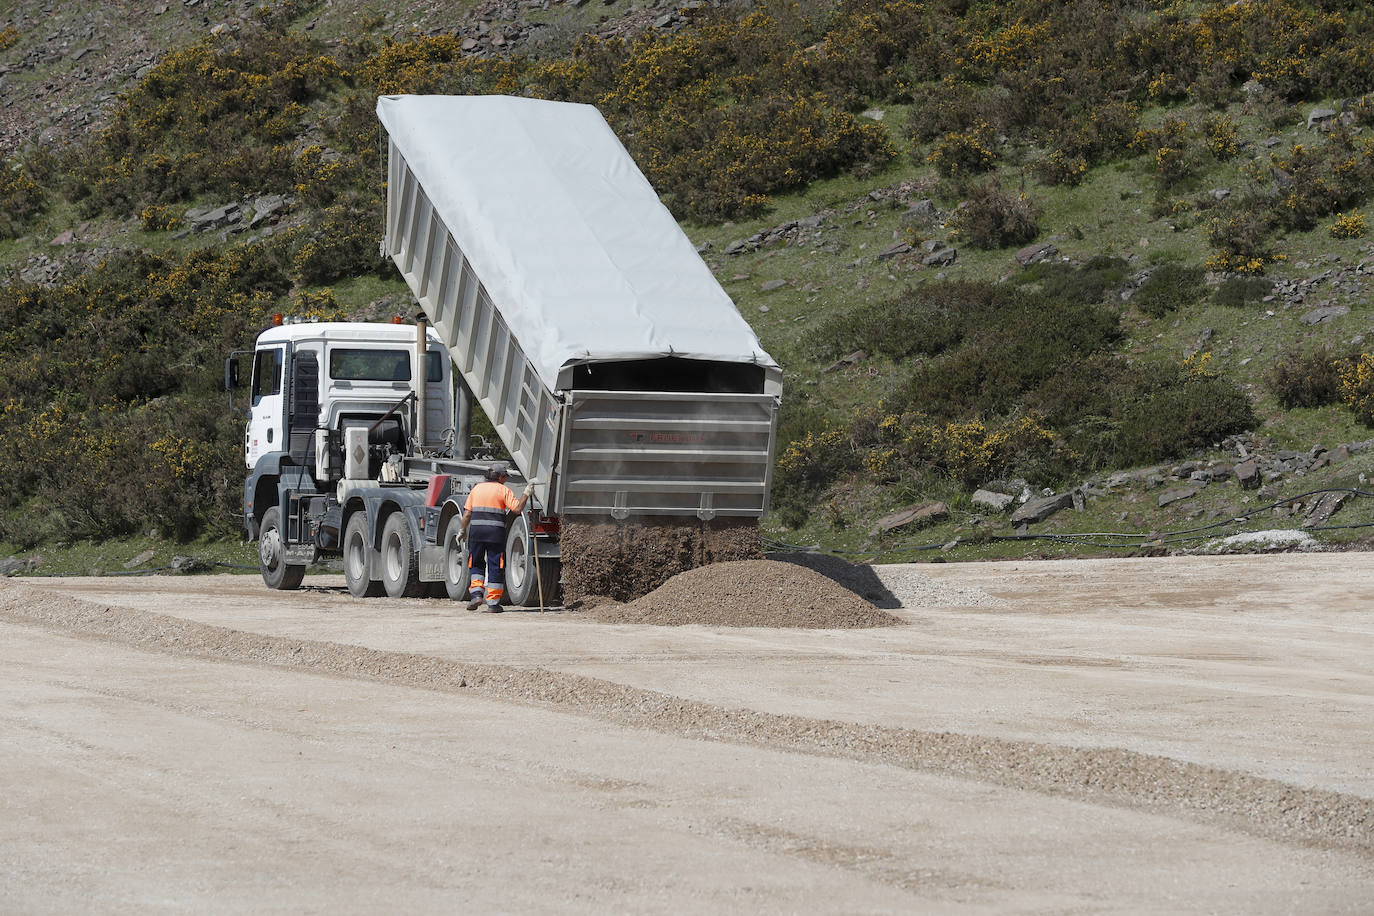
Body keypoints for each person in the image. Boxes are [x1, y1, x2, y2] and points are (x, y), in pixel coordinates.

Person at [458, 461, 534, 612]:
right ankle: (492, 604)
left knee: (476, 563)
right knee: (495, 565)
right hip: (495, 535)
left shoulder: (476, 489)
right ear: (499, 477)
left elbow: (467, 514)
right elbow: (518, 509)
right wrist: (526, 493)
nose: (506, 479)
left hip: (477, 534)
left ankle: (476, 595)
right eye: (505, 476)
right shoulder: (503, 490)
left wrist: (462, 530)